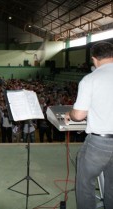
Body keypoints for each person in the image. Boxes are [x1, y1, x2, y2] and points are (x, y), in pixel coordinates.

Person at [64, 41, 113, 209]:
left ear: (94, 59)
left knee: (85, 183)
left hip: (100, 142)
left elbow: (78, 115)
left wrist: (68, 113)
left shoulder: (91, 79)